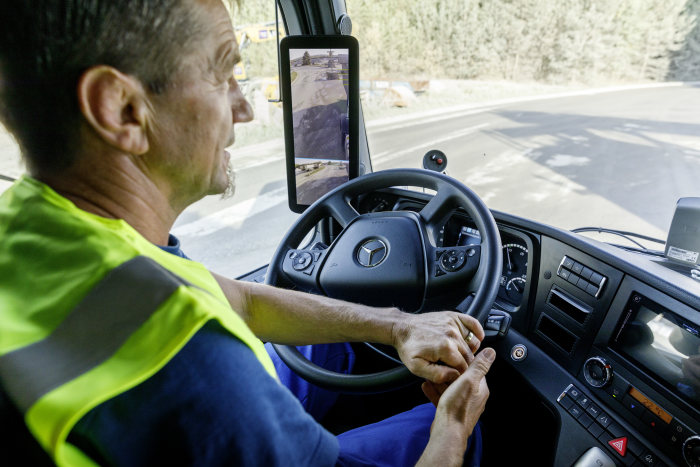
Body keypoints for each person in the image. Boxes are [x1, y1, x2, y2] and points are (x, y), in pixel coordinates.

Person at [0, 0, 495, 465]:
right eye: (222, 74)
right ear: (121, 109)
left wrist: (396, 325)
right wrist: (454, 422)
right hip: (209, 402)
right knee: (463, 420)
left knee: (336, 347)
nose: (245, 109)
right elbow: (201, 357)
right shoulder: (188, 356)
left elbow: (242, 301)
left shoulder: (32, 222)